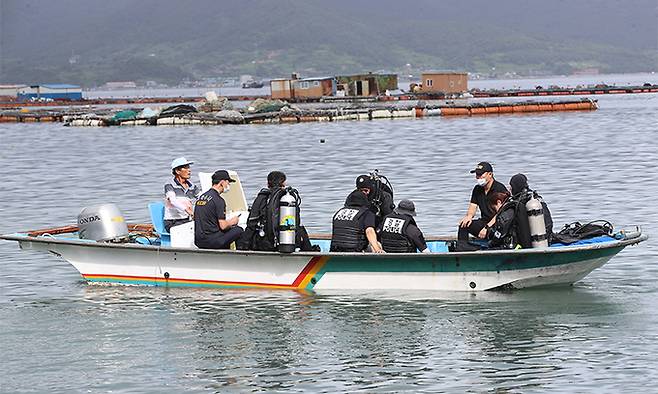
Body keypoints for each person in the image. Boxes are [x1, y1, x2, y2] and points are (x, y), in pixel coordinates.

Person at [237, 170, 317, 251]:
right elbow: (297, 222)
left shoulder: (262, 198)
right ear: (283, 183)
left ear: (268, 183)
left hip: (265, 245)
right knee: (301, 228)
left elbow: (251, 223)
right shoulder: (289, 198)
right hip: (290, 244)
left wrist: (243, 245)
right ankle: (309, 251)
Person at [456, 161, 509, 251]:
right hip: (484, 221)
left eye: (480, 175)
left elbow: (502, 213)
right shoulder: (477, 189)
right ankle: (462, 249)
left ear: (490, 174)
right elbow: (472, 207)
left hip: (497, 225)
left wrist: (487, 228)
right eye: (477, 174)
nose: (478, 177)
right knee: (463, 225)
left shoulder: (499, 189)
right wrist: (468, 217)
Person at [193, 170, 244, 249]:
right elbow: (223, 226)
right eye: (228, 182)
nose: (229, 185)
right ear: (222, 182)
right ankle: (240, 257)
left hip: (199, 241)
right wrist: (233, 221)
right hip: (212, 241)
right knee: (238, 230)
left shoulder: (201, 197)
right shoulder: (218, 200)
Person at [330, 179, 384, 253]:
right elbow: (369, 231)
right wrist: (378, 250)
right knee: (377, 244)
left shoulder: (339, 212)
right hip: (354, 250)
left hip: (335, 250)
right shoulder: (367, 213)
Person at [508, 173, 553, 247]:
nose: (510, 189)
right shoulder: (537, 198)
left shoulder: (518, 202)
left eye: (511, 186)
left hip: (529, 242)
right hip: (546, 238)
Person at [164, 157, 200, 232]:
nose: (189, 170)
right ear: (177, 171)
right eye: (186, 168)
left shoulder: (192, 186)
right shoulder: (169, 185)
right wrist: (188, 210)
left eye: (189, 167)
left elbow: (202, 197)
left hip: (187, 220)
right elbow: (173, 201)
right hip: (173, 222)